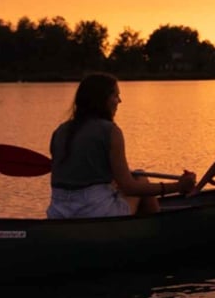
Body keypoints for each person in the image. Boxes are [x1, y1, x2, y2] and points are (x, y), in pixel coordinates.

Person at [47, 72, 195, 219]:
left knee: (129, 179)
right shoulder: (110, 131)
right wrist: (178, 187)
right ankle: (158, 234)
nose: (120, 101)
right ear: (103, 100)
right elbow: (129, 187)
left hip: (58, 212)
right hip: (95, 211)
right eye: (116, 96)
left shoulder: (60, 130)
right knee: (141, 178)